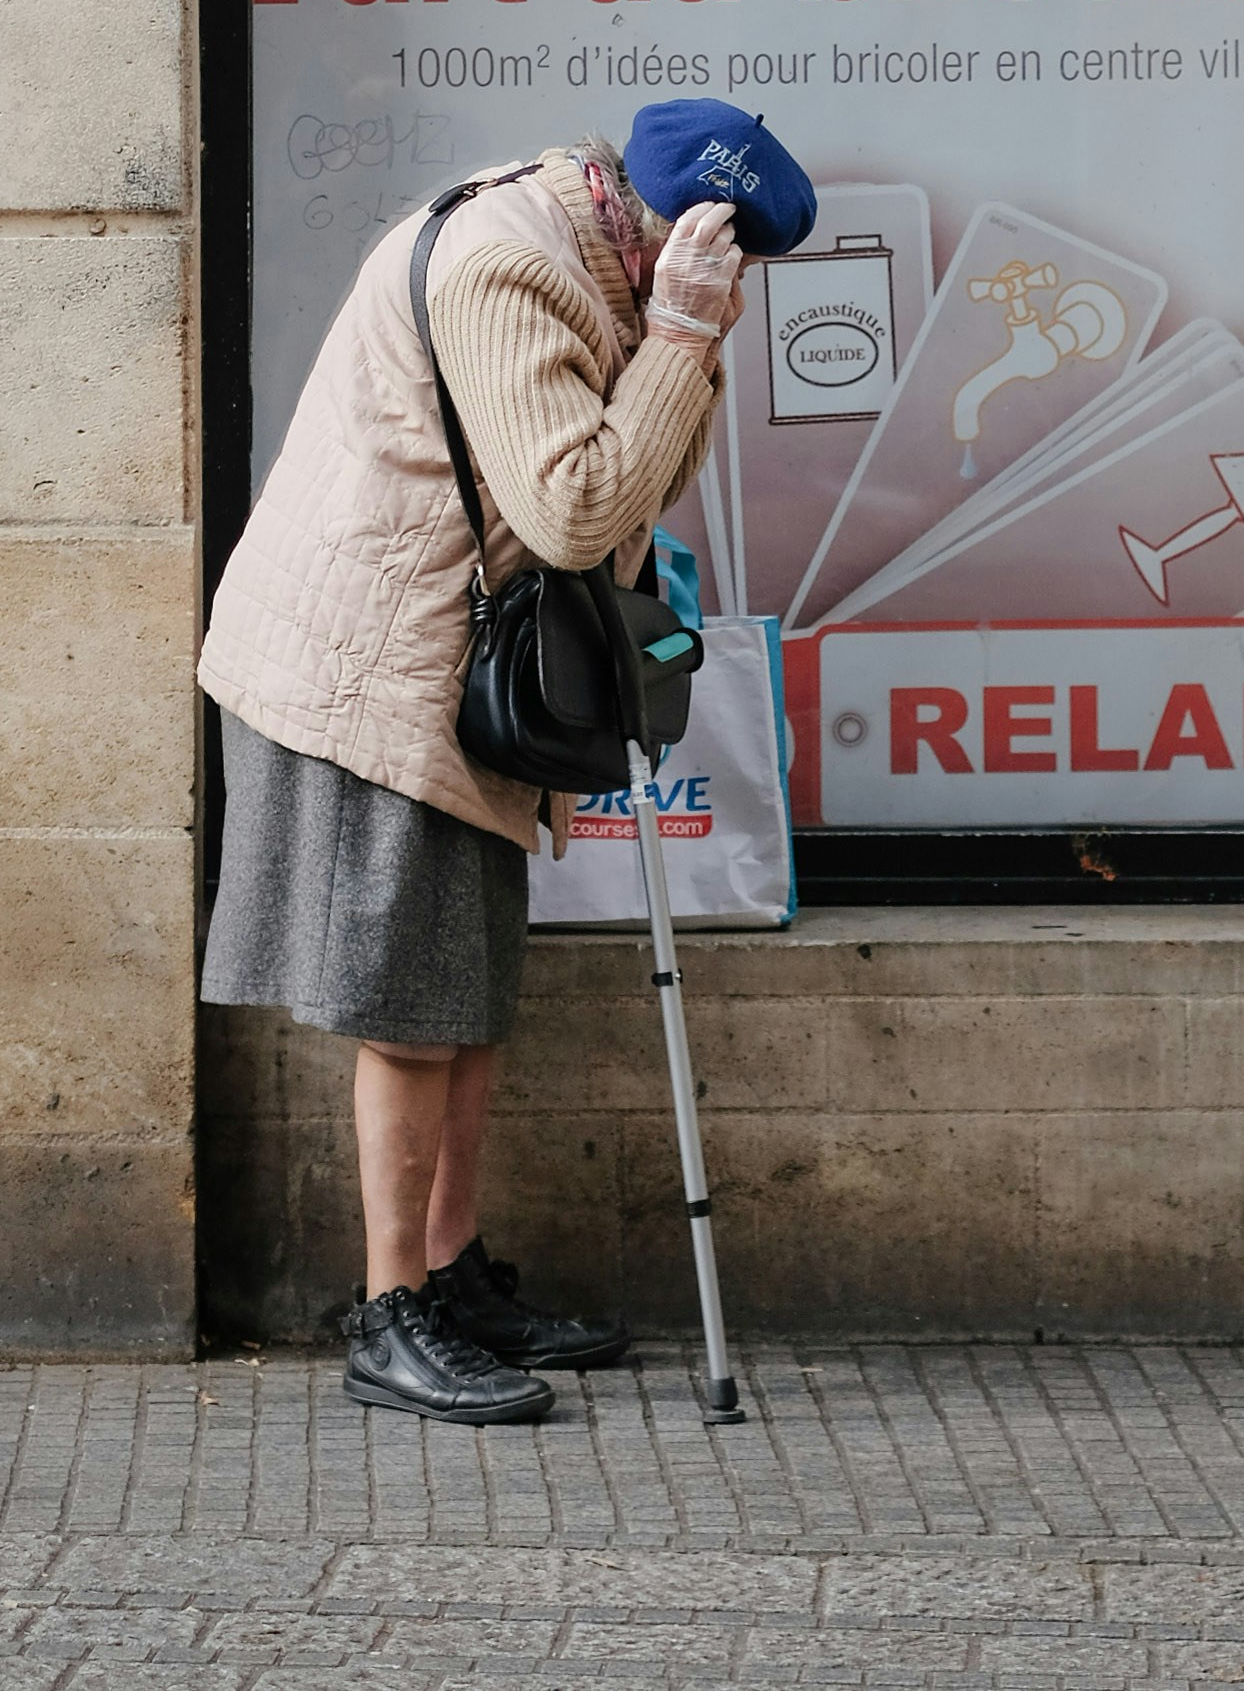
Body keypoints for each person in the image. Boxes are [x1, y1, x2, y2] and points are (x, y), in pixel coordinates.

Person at [197, 100, 816, 1424]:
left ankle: (450, 1270)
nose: (728, 291)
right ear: (667, 237)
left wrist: (677, 349)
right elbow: (578, 504)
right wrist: (689, 336)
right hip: (369, 665)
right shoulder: (510, 264)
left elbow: (637, 488)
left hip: (457, 663)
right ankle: (390, 1312)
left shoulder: (600, 266)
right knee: (417, 1010)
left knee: (466, 992)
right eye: (722, 264)